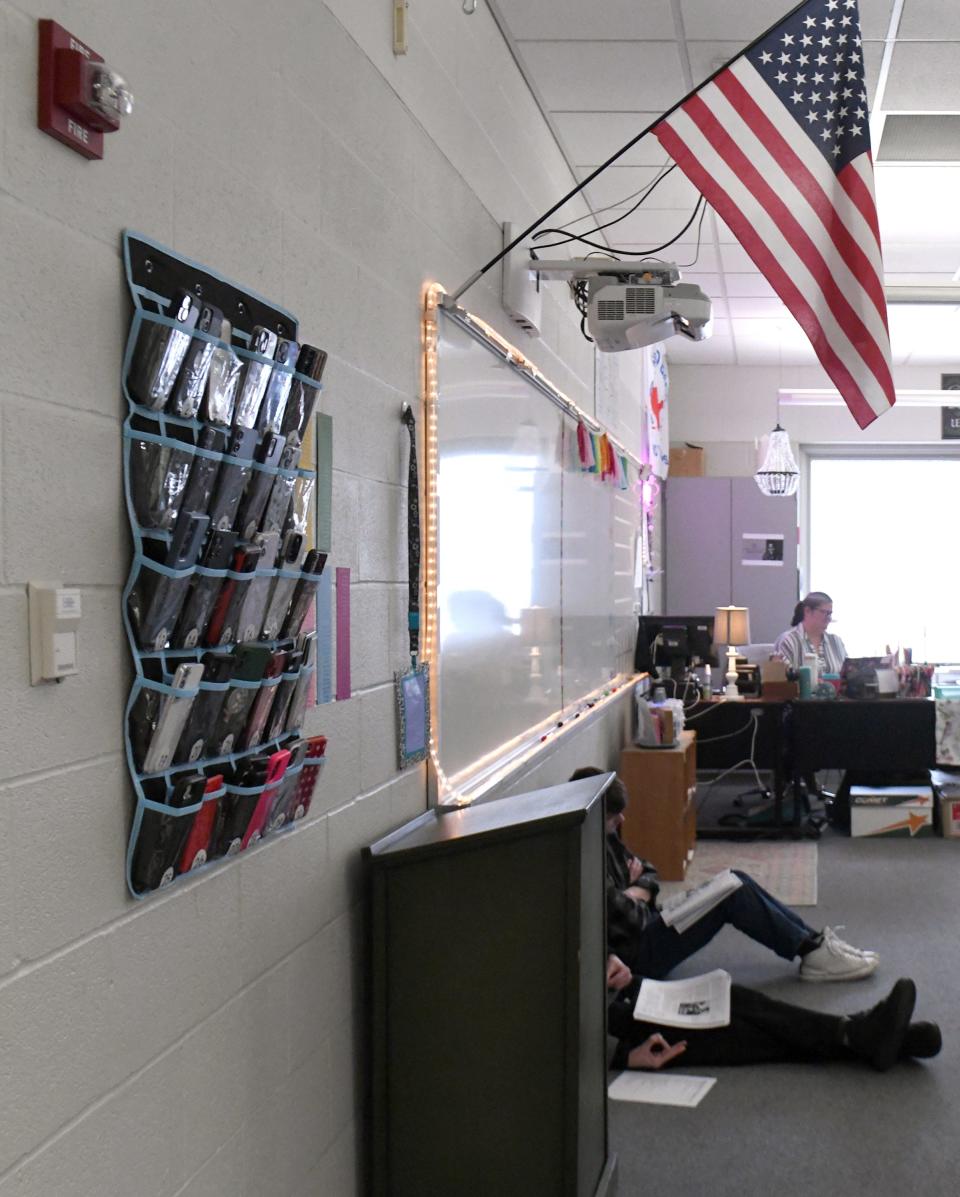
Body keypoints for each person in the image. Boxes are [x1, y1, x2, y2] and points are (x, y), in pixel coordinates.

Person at [570, 767, 878, 982]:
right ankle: (813, 953)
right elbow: (631, 918)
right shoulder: (583, 860)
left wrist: (637, 889)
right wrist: (636, 890)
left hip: (654, 921)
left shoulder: (604, 835)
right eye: (613, 817)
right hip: (640, 954)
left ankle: (814, 942)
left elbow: (648, 871)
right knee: (733, 896)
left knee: (735, 879)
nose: (621, 820)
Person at [605, 954, 941, 1072]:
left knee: (735, 999)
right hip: (605, 1034)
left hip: (613, 999)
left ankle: (860, 1035)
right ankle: (858, 1035)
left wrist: (609, 963)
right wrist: (619, 1056)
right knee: (731, 1030)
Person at [774, 591, 847, 675]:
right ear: (807, 611)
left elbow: (846, 676)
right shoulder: (788, 641)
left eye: (830, 614)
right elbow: (782, 681)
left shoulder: (836, 641)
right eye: (824, 613)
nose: (828, 618)